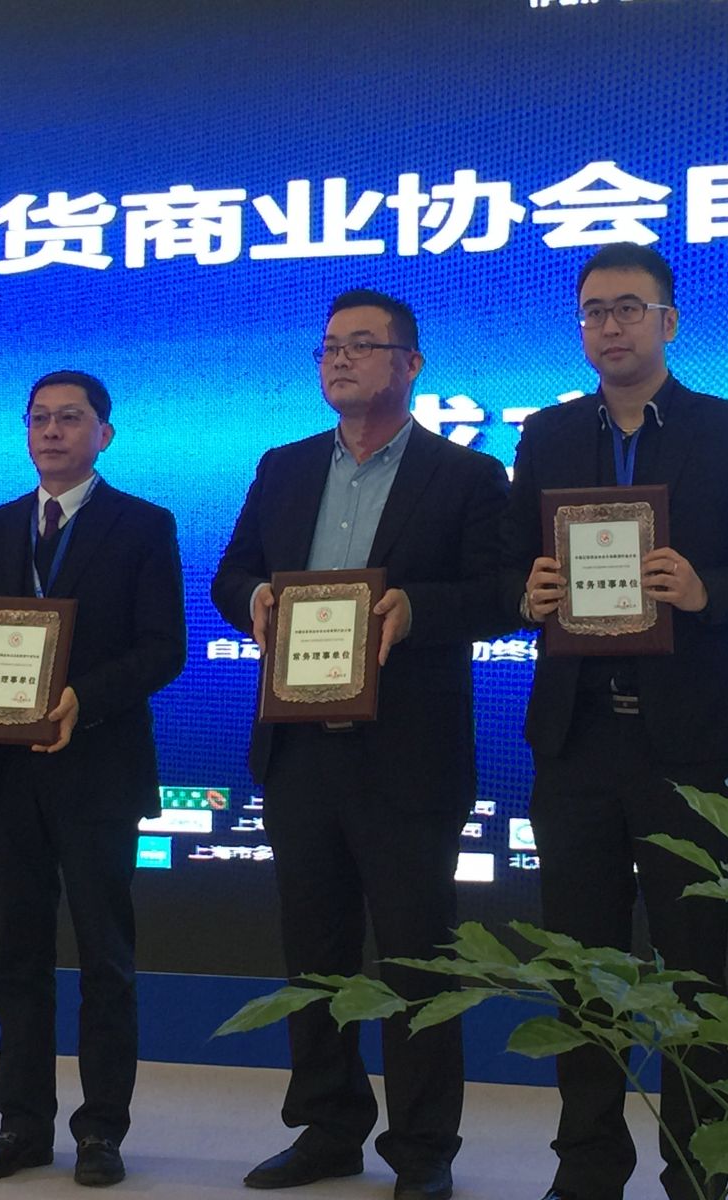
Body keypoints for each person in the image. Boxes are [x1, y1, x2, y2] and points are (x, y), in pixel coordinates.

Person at [503, 243, 728, 1200]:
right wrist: (528, 593)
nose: (610, 326)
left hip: (688, 739)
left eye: (629, 308)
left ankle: (697, 1166)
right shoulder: (547, 435)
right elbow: (510, 569)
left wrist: (706, 591)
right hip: (576, 736)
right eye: (594, 311)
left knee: (693, 963)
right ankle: (587, 1164)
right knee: (580, 964)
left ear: (668, 321)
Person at [211, 289, 509, 1200]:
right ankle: (328, 1129)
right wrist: (253, 598)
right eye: (329, 347)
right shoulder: (285, 467)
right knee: (316, 953)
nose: (339, 359)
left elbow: (504, 594)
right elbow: (231, 573)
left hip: (409, 754)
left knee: (418, 956)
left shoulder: (467, 475)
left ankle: (423, 1149)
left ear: (410, 364)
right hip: (300, 749)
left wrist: (417, 608)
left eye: (362, 345)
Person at [0, 370, 186, 1188]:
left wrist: (84, 699)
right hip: (4, 774)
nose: (51, 432)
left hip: (98, 770)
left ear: (104, 434)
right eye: (39, 418)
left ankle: (101, 1130)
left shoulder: (143, 524)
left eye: (70, 419)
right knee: (16, 956)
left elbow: (164, 649)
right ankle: (22, 1124)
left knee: (104, 958)